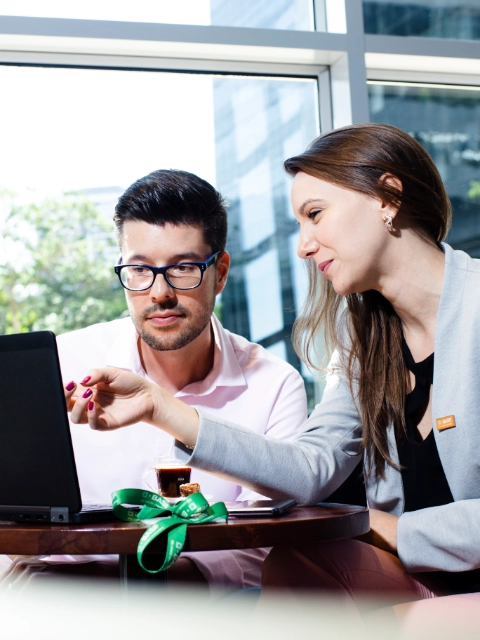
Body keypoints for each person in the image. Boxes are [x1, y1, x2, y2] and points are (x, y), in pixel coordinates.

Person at [65, 122, 480, 616]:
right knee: (294, 567)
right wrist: (160, 407)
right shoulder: (364, 334)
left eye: (315, 215)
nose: (303, 245)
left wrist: (390, 528)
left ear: (387, 197)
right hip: (423, 582)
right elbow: (308, 470)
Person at [1, 169, 307, 593]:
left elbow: (267, 550)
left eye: (183, 268)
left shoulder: (274, 386)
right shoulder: (61, 363)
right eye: (139, 270)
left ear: (220, 271)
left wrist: (119, 589)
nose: (158, 292)